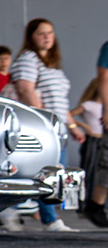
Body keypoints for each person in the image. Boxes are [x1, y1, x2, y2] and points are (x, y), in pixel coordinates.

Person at [9, 18, 79, 232]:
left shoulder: (52, 64)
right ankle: (48, 219)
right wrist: (43, 124)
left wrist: (73, 126)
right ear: (31, 37)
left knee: (57, 176)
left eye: (50, 33)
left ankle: (46, 217)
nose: (47, 37)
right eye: (41, 33)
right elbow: (25, 89)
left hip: (59, 129)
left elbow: (60, 101)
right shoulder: (29, 59)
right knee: (48, 175)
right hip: (46, 129)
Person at [73, 78, 107, 229]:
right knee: (88, 173)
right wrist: (82, 126)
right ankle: (82, 206)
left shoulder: (104, 107)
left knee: (99, 174)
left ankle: (93, 203)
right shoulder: (89, 105)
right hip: (92, 141)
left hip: (102, 141)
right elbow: (69, 114)